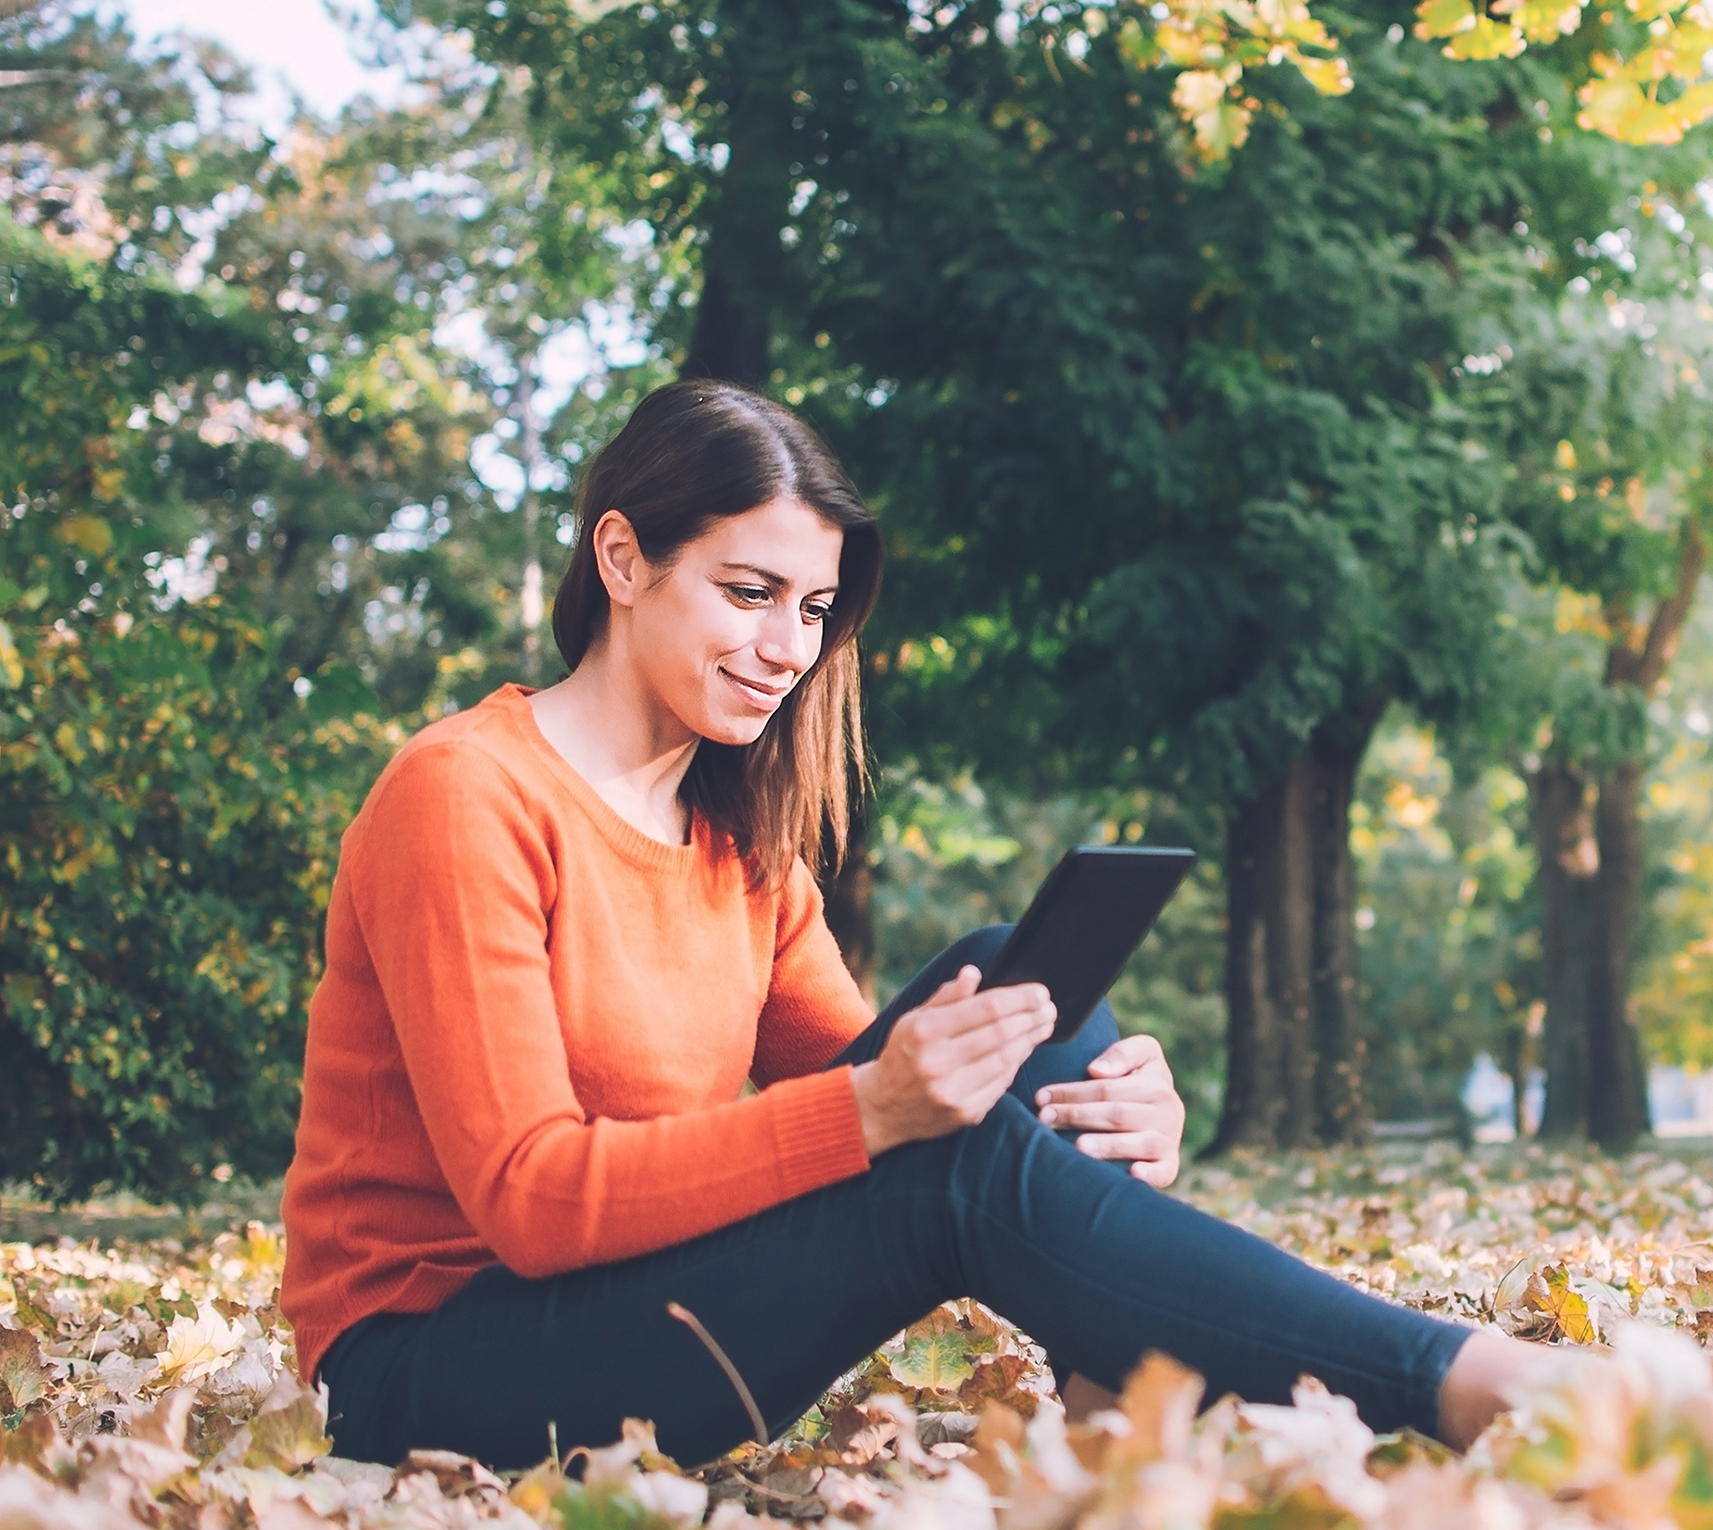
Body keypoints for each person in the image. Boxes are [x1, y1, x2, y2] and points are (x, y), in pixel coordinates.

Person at [279, 381, 1552, 1471]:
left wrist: (1117, 1112)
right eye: (748, 590)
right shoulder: (463, 795)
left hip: (628, 1314)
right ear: (623, 560)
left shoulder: (739, 842)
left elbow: (893, 1087)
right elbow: (533, 1200)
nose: (788, 648)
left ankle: (1118, 1398)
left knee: (1015, 982)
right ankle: (1467, 1385)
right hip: (426, 1371)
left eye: (815, 609)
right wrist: (885, 1109)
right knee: (943, 1152)